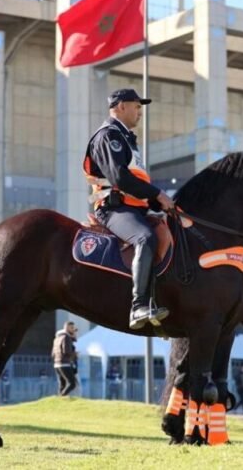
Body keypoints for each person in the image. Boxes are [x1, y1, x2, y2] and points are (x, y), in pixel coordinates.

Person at [83, 88, 175, 329]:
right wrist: (157, 194)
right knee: (144, 238)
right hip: (113, 209)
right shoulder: (108, 136)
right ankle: (138, 306)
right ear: (120, 106)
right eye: (136, 106)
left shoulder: (127, 140)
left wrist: (160, 202)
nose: (140, 112)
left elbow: (137, 184)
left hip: (133, 207)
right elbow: (120, 179)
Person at [52, 321, 78, 396]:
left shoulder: (57, 338)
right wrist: (74, 354)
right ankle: (62, 397)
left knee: (62, 384)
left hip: (57, 364)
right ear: (66, 328)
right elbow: (66, 351)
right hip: (64, 364)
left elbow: (52, 354)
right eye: (72, 328)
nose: (73, 329)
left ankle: (59, 400)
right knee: (72, 384)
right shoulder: (66, 337)